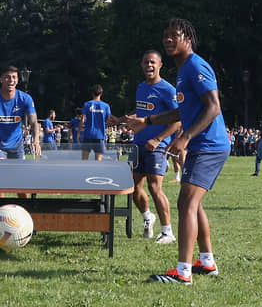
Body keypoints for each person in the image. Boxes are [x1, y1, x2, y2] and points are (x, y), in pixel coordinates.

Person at [149, 19, 230, 285]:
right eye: (165, 35)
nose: (168, 40)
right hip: (204, 145)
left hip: (208, 145)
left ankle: (183, 272)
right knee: (193, 204)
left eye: (174, 35)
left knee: (186, 203)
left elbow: (213, 107)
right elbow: (180, 112)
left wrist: (185, 137)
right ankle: (206, 263)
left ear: (188, 39)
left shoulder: (195, 65)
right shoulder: (183, 71)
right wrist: (147, 122)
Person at [123, 50, 181, 244]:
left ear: (160, 65)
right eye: (146, 62)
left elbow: (178, 120)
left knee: (155, 187)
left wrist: (158, 139)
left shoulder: (167, 90)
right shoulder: (140, 88)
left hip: (157, 146)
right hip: (138, 145)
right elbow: (142, 113)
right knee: (132, 188)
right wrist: (124, 119)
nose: (149, 65)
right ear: (142, 65)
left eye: (153, 62)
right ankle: (148, 217)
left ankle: (168, 232)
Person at [0, 65, 41, 160]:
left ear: (18, 80)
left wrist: (36, 140)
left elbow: (34, 122)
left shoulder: (25, 98)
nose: (11, 80)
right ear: (1, 79)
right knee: (1, 167)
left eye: (14, 77)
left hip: (17, 146)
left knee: (19, 174)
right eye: (7, 77)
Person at [78, 84, 120, 161]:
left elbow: (82, 119)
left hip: (88, 135)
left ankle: (84, 173)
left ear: (92, 93)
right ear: (101, 93)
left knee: (84, 160)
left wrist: (79, 133)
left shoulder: (87, 104)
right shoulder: (106, 106)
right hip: (99, 136)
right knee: (98, 161)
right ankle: (96, 173)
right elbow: (109, 120)